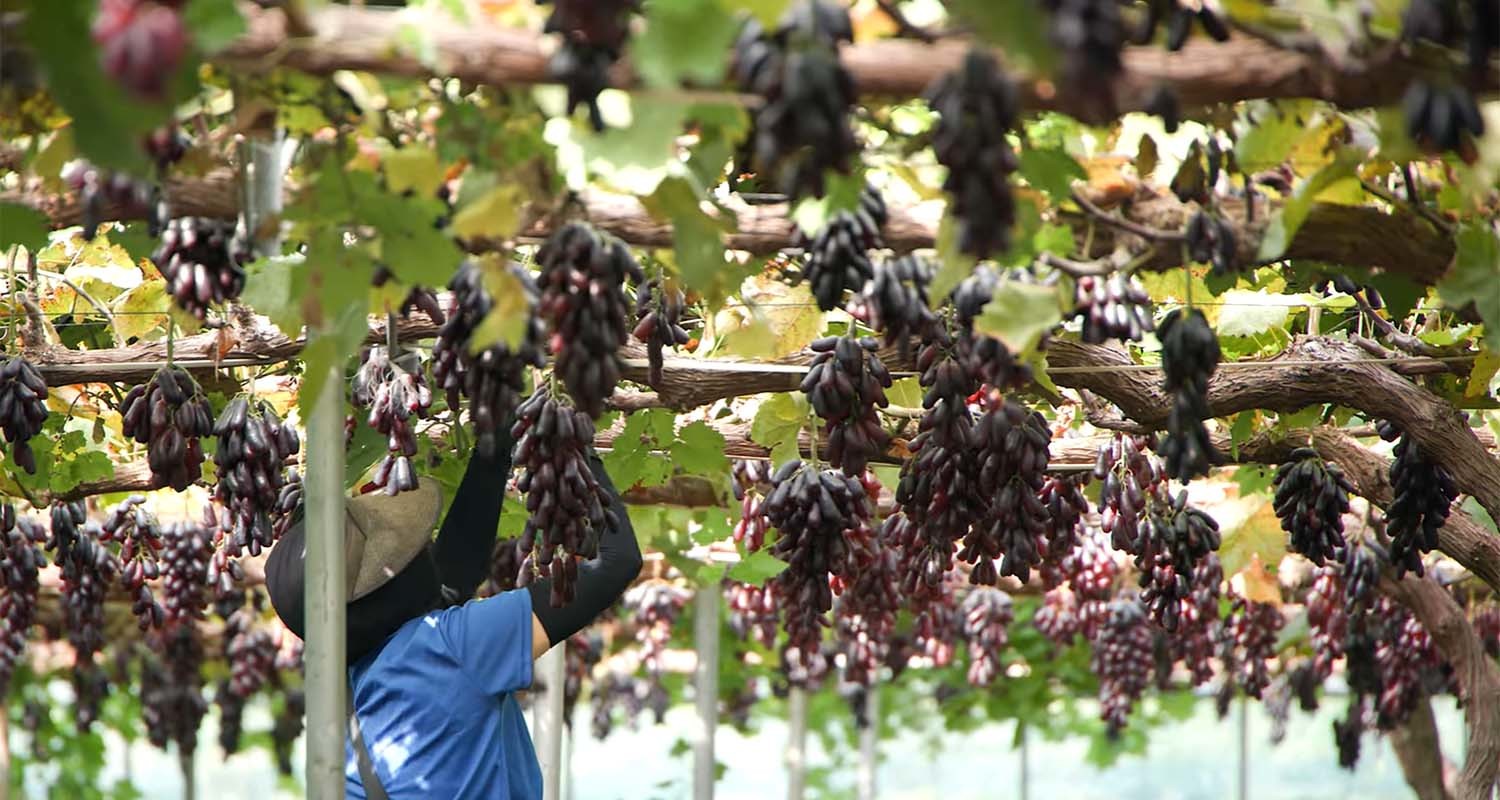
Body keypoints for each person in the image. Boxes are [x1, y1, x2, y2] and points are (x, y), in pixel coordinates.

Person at [265, 422, 642, 799]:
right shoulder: (453, 647)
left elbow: (451, 579)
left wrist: (496, 442)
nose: (421, 545)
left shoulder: (349, 685)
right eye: (405, 550)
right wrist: (571, 438)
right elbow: (614, 561)